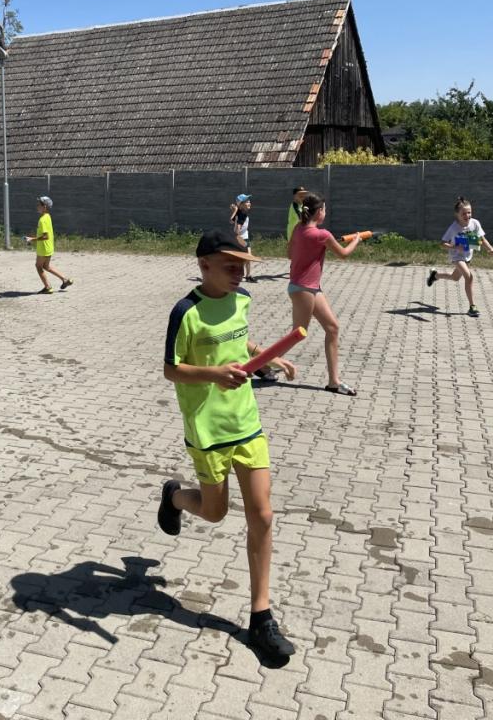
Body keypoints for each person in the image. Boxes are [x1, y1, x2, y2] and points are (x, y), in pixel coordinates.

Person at [158, 228, 297, 659]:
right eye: (230, 266)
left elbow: (239, 340)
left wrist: (265, 355)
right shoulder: (186, 312)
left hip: (246, 422)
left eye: (243, 266)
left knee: (263, 514)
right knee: (215, 512)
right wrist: (215, 374)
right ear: (204, 266)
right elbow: (171, 369)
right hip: (208, 430)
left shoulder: (243, 300)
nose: (239, 273)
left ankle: (261, 617)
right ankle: (175, 497)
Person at [287, 193, 362, 395]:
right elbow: (344, 254)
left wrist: (310, 251)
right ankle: (263, 364)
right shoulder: (322, 235)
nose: (326, 213)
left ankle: (333, 382)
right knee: (297, 334)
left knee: (332, 328)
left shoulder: (299, 228)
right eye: (325, 210)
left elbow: (289, 254)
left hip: (308, 287)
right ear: (319, 212)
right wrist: (356, 239)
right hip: (304, 289)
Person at [427, 196, 493, 317]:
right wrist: (455, 247)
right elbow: (442, 243)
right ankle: (472, 307)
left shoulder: (475, 223)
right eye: (463, 213)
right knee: (469, 277)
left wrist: (490, 248)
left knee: (455, 278)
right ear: (457, 215)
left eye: (469, 212)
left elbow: (481, 239)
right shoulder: (454, 227)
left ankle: (435, 275)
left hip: (467, 256)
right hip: (456, 256)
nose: (467, 215)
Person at [25, 196, 73, 294]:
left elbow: (45, 236)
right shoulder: (48, 216)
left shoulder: (42, 220)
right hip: (49, 247)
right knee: (46, 267)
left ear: (45, 207)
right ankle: (65, 279)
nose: (37, 206)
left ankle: (48, 287)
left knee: (38, 266)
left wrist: (32, 239)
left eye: (39, 205)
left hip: (43, 248)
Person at [230, 194, 255, 282]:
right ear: (241, 205)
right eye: (247, 202)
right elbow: (238, 228)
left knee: (247, 257)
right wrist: (239, 238)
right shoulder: (242, 214)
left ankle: (247, 275)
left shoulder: (240, 212)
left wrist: (235, 210)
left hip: (244, 236)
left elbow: (231, 221)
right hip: (241, 238)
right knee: (245, 257)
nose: (249, 203)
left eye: (249, 201)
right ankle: (238, 273)